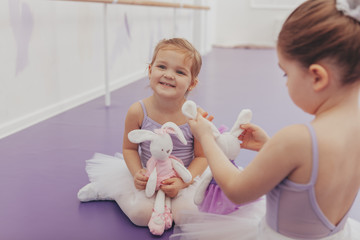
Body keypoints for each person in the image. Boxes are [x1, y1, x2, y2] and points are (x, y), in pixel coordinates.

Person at [171, 0, 360, 239]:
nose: (286, 81)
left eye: (286, 73)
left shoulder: (297, 139)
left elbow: (237, 190)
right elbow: (319, 171)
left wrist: (206, 137)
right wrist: (271, 148)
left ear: (317, 77)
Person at [77, 38, 208, 233]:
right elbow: (129, 148)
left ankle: (172, 206)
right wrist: (137, 173)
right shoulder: (138, 111)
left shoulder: (194, 115)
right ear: (150, 70)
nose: (169, 75)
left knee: (185, 216)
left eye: (180, 72)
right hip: (151, 176)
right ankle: (111, 190)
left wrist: (183, 182)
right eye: (162, 66)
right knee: (140, 215)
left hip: (185, 176)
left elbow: (202, 156)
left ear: (192, 83)